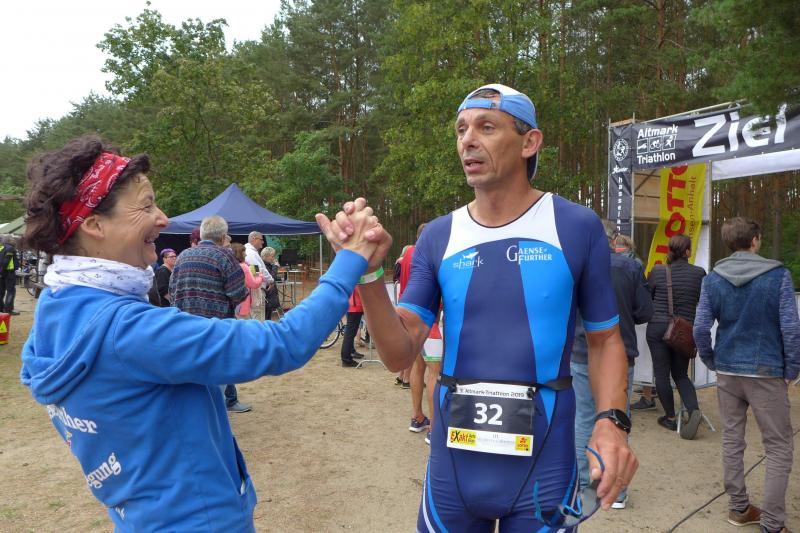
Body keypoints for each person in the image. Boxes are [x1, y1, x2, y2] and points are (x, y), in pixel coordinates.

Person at [318, 83, 638, 530]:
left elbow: (605, 341)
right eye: (461, 130)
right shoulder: (439, 236)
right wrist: (368, 275)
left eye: (486, 127)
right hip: (454, 468)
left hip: (545, 463)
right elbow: (397, 354)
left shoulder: (575, 226)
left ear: (529, 142)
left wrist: (611, 421)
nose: (468, 140)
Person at [19, 136, 377, 531]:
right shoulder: (129, 331)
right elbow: (284, 343)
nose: (163, 218)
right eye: (146, 205)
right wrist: (350, 260)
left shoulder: (55, 309)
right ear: (94, 225)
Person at [694, 217, 798, 533]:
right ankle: (772, 523)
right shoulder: (778, 276)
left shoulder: (713, 279)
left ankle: (739, 508)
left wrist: (711, 360)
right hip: (766, 370)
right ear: (755, 240)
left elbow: (700, 328)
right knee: (779, 446)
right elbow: (791, 328)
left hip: (728, 370)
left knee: (732, 439)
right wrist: (792, 368)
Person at [570, 220, 653, 510]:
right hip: (620, 352)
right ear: (613, 239)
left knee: (583, 419)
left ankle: (584, 486)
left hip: (580, 351)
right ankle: (615, 492)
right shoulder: (630, 267)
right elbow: (645, 311)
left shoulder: (575, 265)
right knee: (617, 419)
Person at [170, 215, 252, 413]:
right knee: (216, 375)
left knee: (193, 374)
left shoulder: (183, 256)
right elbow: (238, 292)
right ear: (223, 237)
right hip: (215, 328)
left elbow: (173, 290)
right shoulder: (225, 256)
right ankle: (211, 413)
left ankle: (206, 410)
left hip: (185, 326)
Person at [646, 234, 706, 438]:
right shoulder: (699, 273)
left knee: (661, 374)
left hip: (658, 327)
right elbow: (702, 301)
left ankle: (670, 418)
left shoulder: (658, 271)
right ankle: (693, 410)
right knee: (680, 374)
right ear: (687, 252)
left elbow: (649, 298)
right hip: (684, 329)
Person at [245, 231, 274, 321]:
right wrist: (270, 280)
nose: (263, 242)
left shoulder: (251, 252)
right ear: (254, 239)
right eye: (261, 239)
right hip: (256, 290)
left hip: (255, 289)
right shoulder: (250, 253)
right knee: (257, 317)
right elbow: (258, 271)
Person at [231, 242, 265, 319]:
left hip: (234, 301)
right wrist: (261, 276)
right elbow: (254, 284)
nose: (246, 255)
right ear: (240, 254)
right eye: (244, 253)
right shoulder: (244, 267)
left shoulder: (232, 265)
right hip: (243, 302)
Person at [340, 287, 365, 367]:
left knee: (351, 333)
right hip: (354, 306)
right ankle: (346, 359)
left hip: (353, 305)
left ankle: (351, 351)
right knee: (350, 334)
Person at [260, 246, 281, 318]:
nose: (273, 258)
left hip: (270, 296)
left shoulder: (268, 265)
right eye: (272, 256)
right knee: (266, 317)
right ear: (266, 256)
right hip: (267, 296)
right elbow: (271, 278)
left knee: (268, 316)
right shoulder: (264, 266)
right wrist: (275, 267)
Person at [0, 237, 19, 314]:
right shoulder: (10, 248)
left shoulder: (1, 248)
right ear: (9, 241)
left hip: (2, 272)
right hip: (9, 272)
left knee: (1, 291)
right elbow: (6, 261)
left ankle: (1, 307)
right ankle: (8, 309)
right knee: (11, 291)